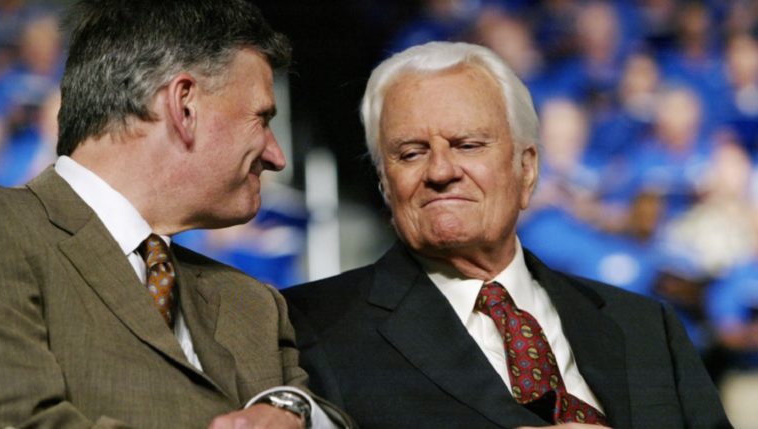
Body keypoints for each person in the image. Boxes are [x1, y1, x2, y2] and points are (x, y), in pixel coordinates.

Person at [0, 1, 351, 428]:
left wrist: (296, 413)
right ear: (184, 105)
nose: (277, 156)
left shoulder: (254, 306)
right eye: (261, 118)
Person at [282, 41, 731, 428]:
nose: (440, 171)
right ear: (384, 182)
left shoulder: (647, 326)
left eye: (468, 145)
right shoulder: (308, 327)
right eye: (411, 152)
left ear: (527, 169)